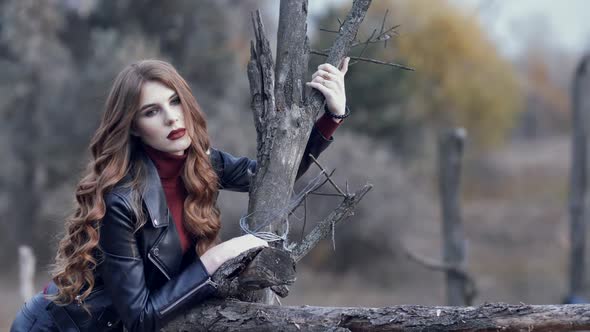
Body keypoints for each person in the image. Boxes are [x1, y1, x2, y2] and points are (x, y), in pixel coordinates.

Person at [10, 57, 350, 331]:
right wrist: (216, 259)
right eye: (151, 111)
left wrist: (331, 116)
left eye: (174, 101)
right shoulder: (121, 201)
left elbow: (272, 177)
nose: (172, 117)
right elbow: (141, 317)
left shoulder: (201, 163)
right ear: (133, 126)